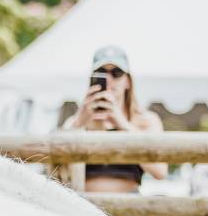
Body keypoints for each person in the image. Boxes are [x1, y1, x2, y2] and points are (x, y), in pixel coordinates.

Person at [60, 45, 167, 192]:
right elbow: (58, 170)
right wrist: (80, 123)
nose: (109, 79)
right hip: (83, 208)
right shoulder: (76, 122)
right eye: (101, 73)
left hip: (130, 208)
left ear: (128, 81)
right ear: (92, 79)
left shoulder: (146, 120)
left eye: (117, 72)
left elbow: (160, 171)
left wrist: (123, 124)